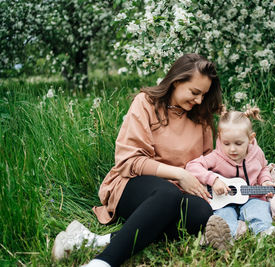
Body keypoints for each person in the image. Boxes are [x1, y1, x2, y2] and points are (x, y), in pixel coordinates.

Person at [52, 53, 222, 267]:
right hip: (133, 184)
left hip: (178, 193)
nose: (199, 100)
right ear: (177, 81)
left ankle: (97, 241)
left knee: (200, 212)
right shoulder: (146, 103)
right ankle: (102, 263)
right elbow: (128, 161)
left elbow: (208, 161)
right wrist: (180, 174)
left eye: (203, 95)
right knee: (166, 193)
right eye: (195, 92)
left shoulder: (201, 116)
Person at [185, 107, 275, 250]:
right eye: (226, 143)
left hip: (252, 197)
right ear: (219, 138)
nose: (232, 149)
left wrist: (266, 181)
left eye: (238, 144)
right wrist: (213, 180)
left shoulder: (256, 154)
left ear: (251, 139)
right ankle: (224, 239)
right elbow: (192, 166)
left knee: (258, 210)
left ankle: (268, 234)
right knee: (224, 216)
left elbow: (262, 168)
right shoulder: (217, 157)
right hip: (224, 201)